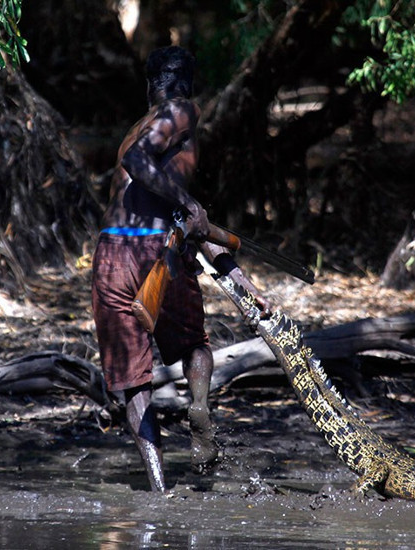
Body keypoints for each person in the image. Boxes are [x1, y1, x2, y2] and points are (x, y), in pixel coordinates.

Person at [91, 46, 270, 492]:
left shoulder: (137, 128)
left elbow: (189, 222)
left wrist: (242, 282)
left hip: (111, 254)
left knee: (133, 382)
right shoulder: (181, 109)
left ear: (147, 85)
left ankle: (158, 488)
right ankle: (200, 409)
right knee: (194, 347)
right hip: (155, 251)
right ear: (187, 85)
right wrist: (190, 202)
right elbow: (144, 170)